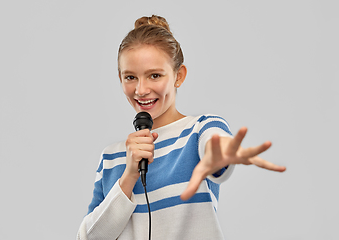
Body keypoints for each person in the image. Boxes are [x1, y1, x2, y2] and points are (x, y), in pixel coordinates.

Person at [77, 15, 286, 240]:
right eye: (130, 77)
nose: (141, 90)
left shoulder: (199, 130)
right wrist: (128, 176)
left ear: (179, 76)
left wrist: (221, 155)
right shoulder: (111, 157)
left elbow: (215, 144)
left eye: (154, 75)